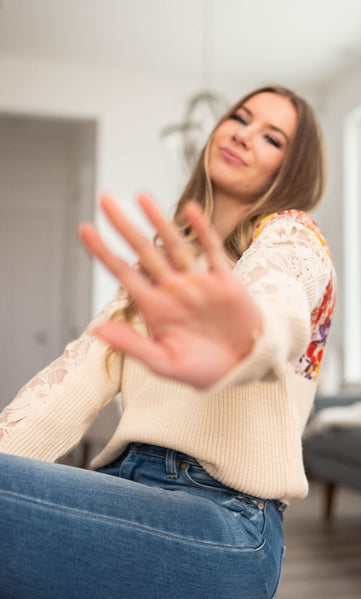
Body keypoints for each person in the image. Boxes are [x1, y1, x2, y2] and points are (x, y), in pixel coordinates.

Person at [0, 85, 336, 599]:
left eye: (271, 137)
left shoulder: (293, 236)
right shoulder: (156, 274)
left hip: (222, 520)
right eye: (240, 118)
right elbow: (63, 393)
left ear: (292, 171)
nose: (244, 135)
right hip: (123, 488)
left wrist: (242, 337)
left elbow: (280, 295)